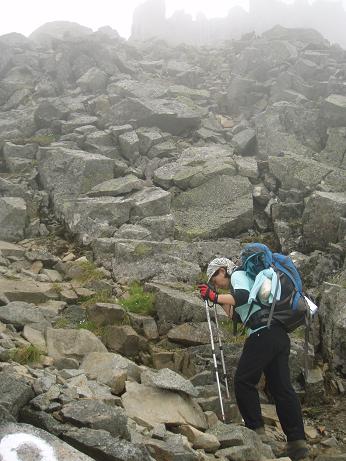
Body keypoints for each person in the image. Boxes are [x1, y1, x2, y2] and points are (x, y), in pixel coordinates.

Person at [199, 257, 309, 461]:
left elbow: (242, 297)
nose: (215, 283)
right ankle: (297, 443)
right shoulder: (244, 281)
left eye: (215, 278)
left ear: (223, 270)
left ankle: (256, 433)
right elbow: (238, 313)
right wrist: (216, 298)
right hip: (277, 335)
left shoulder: (239, 275)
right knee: (281, 389)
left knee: (243, 381)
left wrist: (214, 296)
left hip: (262, 334)